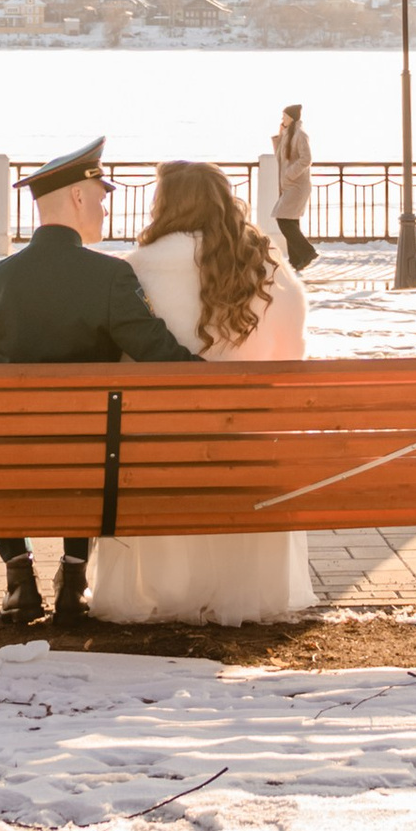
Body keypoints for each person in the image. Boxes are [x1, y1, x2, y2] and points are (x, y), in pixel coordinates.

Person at [0, 135, 193, 630]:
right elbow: (163, 358)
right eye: (100, 197)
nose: (105, 209)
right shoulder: (108, 278)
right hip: (87, 458)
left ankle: (18, 577)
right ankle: (73, 578)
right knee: (95, 441)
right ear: (77, 196)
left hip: (5, 458)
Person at [90, 158, 313, 627]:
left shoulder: (135, 270)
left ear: (165, 206)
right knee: (248, 442)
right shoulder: (268, 265)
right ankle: (236, 594)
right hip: (248, 447)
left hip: (156, 448)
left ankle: (164, 591)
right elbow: (292, 353)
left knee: (145, 445)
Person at [269, 102, 318, 272]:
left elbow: (306, 159)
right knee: (291, 220)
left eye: (284, 116)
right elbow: (279, 157)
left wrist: (290, 173)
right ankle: (296, 261)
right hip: (290, 185)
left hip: (297, 185)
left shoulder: (300, 135)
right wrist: (280, 134)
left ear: (291, 117)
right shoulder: (289, 134)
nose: (282, 118)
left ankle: (307, 252)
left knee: (283, 219)